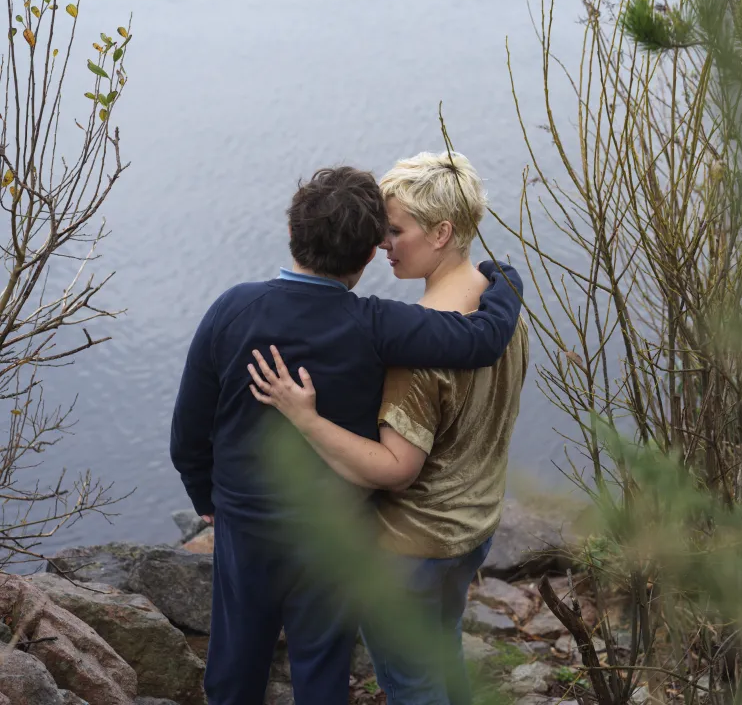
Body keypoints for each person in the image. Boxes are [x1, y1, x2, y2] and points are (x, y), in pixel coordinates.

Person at [169, 165, 523, 705]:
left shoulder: (233, 308)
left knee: (235, 659)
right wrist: (504, 282)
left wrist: (206, 499)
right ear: (368, 256)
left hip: (246, 523)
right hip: (333, 533)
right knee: (321, 669)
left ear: (292, 231)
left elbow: (188, 431)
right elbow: (481, 340)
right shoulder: (378, 325)